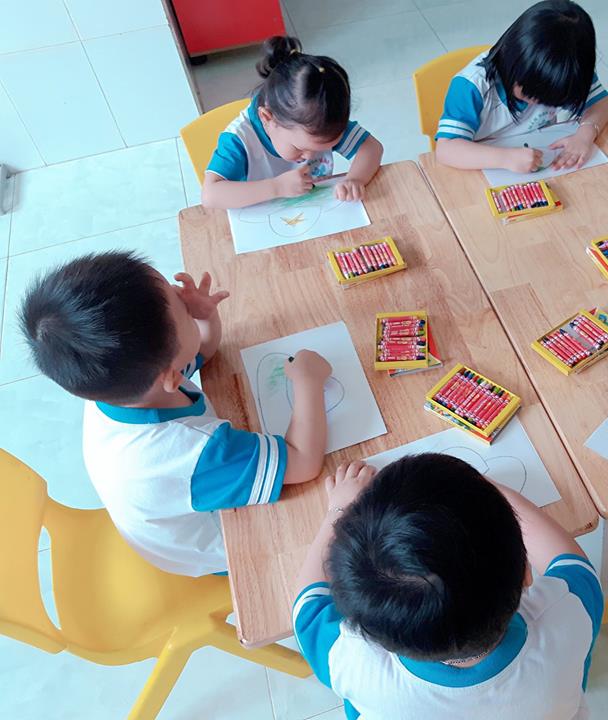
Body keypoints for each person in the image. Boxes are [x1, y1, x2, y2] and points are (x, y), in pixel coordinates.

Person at [19, 251, 331, 576]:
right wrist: (308, 382)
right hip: (223, 546)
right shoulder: (189, 451)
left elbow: (203, 350)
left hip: (162, 521)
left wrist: (203, 317)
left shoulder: (120, 385)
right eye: (182, 307)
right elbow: (303, 461)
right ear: (170, 375)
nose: (184, 296)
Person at [292, 454, 603, 719]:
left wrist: (338, 510)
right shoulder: (566, 614)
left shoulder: (354, 660)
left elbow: (307, 602)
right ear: (526, 573)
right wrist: (479, 486)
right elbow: (571, 561)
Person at [202, 35, 383, 209]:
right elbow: (210, 195)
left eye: (322, 148)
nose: (310, 157)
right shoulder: (239, 140)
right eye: (299, 148)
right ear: (267, 118)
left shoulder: (319, 121)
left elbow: (371, 148)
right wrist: (276, 187)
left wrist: (355, 179)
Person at [435, 0, 608, 173]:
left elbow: (601, 102)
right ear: (513, 62)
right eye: (531, 94)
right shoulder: (471, 86)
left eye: (550, 99)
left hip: (539, 163)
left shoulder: (567, 72)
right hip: (482, 169)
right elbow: (446, 149)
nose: (537, 102)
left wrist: (584, 135)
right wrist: (505, 159)